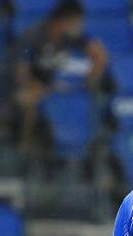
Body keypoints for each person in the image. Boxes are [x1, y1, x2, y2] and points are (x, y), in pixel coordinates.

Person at [14, 0, 108, 149]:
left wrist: (88, 81)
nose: (79, 26)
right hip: (35, 85)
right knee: (28, 101)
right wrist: (35, 86)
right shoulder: (35, 35)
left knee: (86, 102)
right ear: (62, 21)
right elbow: (21, 71)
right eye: (76, 22)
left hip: (61, 85)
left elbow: (100, 55)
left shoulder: (74, 37)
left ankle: (83, 148)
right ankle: (25, 146)